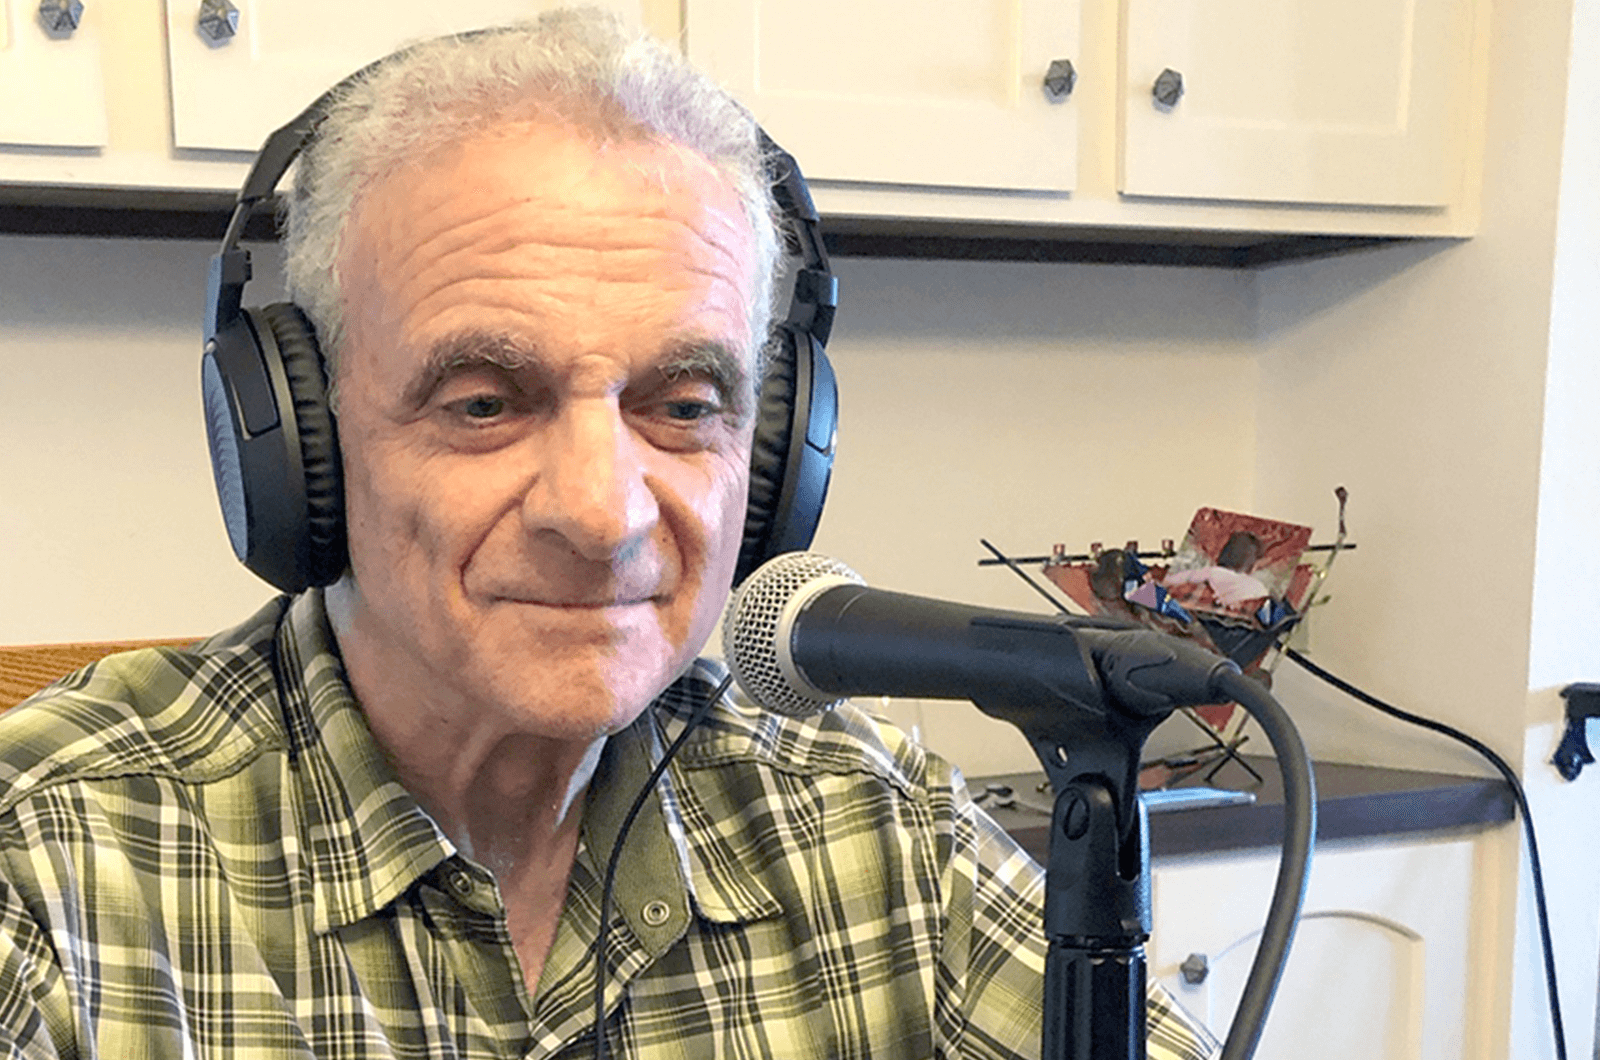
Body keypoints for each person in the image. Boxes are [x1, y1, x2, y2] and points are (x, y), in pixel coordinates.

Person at [0, 11, 1219, 1058]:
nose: (602, 511)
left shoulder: (885, 835)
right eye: (484, 402)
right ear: (301, 441)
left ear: (777, 453)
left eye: (682, 407)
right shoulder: (49, 866)